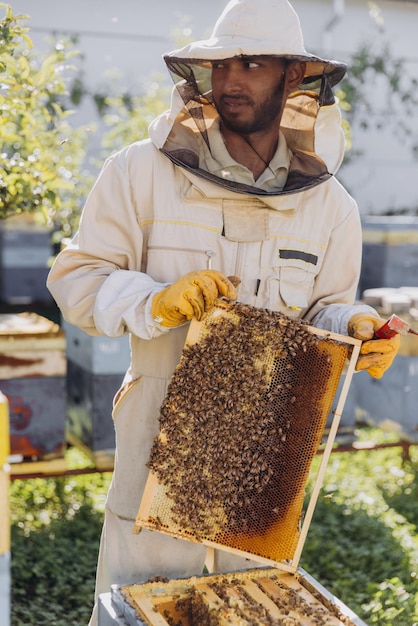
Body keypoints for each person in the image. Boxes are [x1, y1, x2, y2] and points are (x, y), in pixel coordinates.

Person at [47, 0, 400, 622]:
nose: (231, 80)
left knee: (253, 603)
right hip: (162, 436)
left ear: (295, 77)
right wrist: (153, 300)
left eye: (253, 63)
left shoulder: (331, 207)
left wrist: (355, 329)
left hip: (270, 445)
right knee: (142, 600)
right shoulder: (138, 172)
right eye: (221, 64)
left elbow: (325, 310)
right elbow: (78, 279)